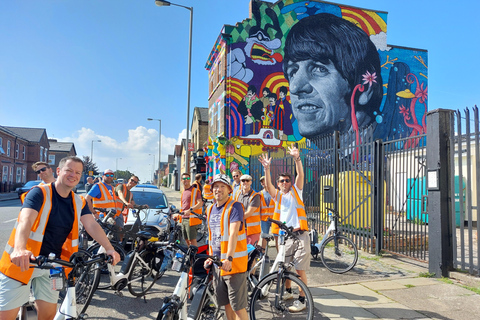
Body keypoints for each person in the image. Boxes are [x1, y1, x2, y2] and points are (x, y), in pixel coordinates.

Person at [0, 156, 121, 320]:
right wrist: (20, 249)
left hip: (53, 265)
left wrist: (109, 248)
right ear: (58, 171)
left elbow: (91, 225)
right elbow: (25, 220)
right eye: (69, 170)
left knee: (49, 315)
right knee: (5, 316)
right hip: (22, 262)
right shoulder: (39, 192)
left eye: (78, 172)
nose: (73, 175)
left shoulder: (79, 201)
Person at [283, 12, 383, 139]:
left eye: (319, 69)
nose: (294, 87)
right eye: (293, 72)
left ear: (365, 88)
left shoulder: (386, 151)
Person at [258, 145, 310, 312]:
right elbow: (268, 185)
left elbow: (300, 174)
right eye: (282, 181)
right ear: (278, 184)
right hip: (285, 237)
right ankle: (288, 292)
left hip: (300, 234)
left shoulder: (297, 191)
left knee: (300, 268)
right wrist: (267, 169)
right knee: (285, 267)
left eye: (287, 180)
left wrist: (297, 158)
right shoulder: (277, 195)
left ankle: (302, 299)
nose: (285, 182)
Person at [204, 174, 248, 320]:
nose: (218, 189)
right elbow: (213, 236)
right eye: (216, 186)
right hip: (218, 265)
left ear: (229, 189)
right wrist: (210, 257)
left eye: (222, 186)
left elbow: (233, 234)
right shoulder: (210, 209)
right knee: (226, 305)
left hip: (233, 265)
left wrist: (229, 259)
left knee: (238, 307)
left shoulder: (235, 206)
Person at [176, 173, 204, 247]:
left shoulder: (195, 190)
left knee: (192, 240)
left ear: (190, 180)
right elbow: (183, 207)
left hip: (191, 219)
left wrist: (190, 210)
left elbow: (200, 203)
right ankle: (190, 256)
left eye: (188, 178)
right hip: (184, 219)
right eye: (184, 179)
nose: (186, 180)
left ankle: (194, 257)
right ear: (181, 180)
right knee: (186, 240)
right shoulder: (183, 192)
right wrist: (178, 215)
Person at [233, 174, 261, 245]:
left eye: (247, 181)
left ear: (250, 182)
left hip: (252, 231)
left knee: (251, 253)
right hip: (240, 228)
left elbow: (249, 213)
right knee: (241, 252)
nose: (245, 182)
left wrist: (234, 219)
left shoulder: (255, 196)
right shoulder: (237, 193)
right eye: (243, 181)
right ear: (240, 182)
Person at [258, 176, 276, 251]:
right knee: (264, 236)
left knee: (277, 236)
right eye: (261, 181)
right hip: (264, 219)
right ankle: (263, 253)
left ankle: (279, 254)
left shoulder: (275, 192)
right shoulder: (260, 194)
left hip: (274, 218)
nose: (263, 183)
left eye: (264, 181)